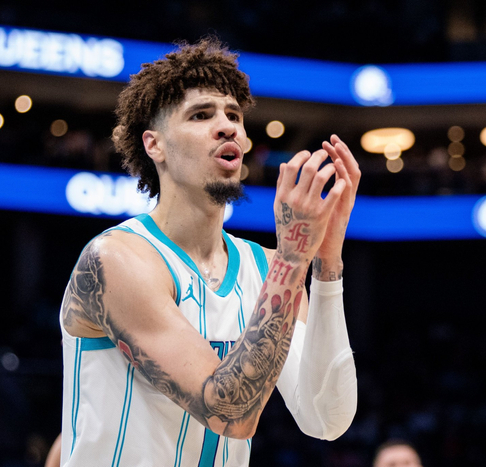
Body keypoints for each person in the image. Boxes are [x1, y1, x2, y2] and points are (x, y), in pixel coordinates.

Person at [57, 37, 359, 466]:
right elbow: (229, 411)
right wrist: (294, 257)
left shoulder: (266, 267)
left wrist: (326, 265)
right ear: (155, 145)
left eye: (234, 115)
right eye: (201, 115)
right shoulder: (117, 260)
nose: (227, 126)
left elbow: (326, 417)